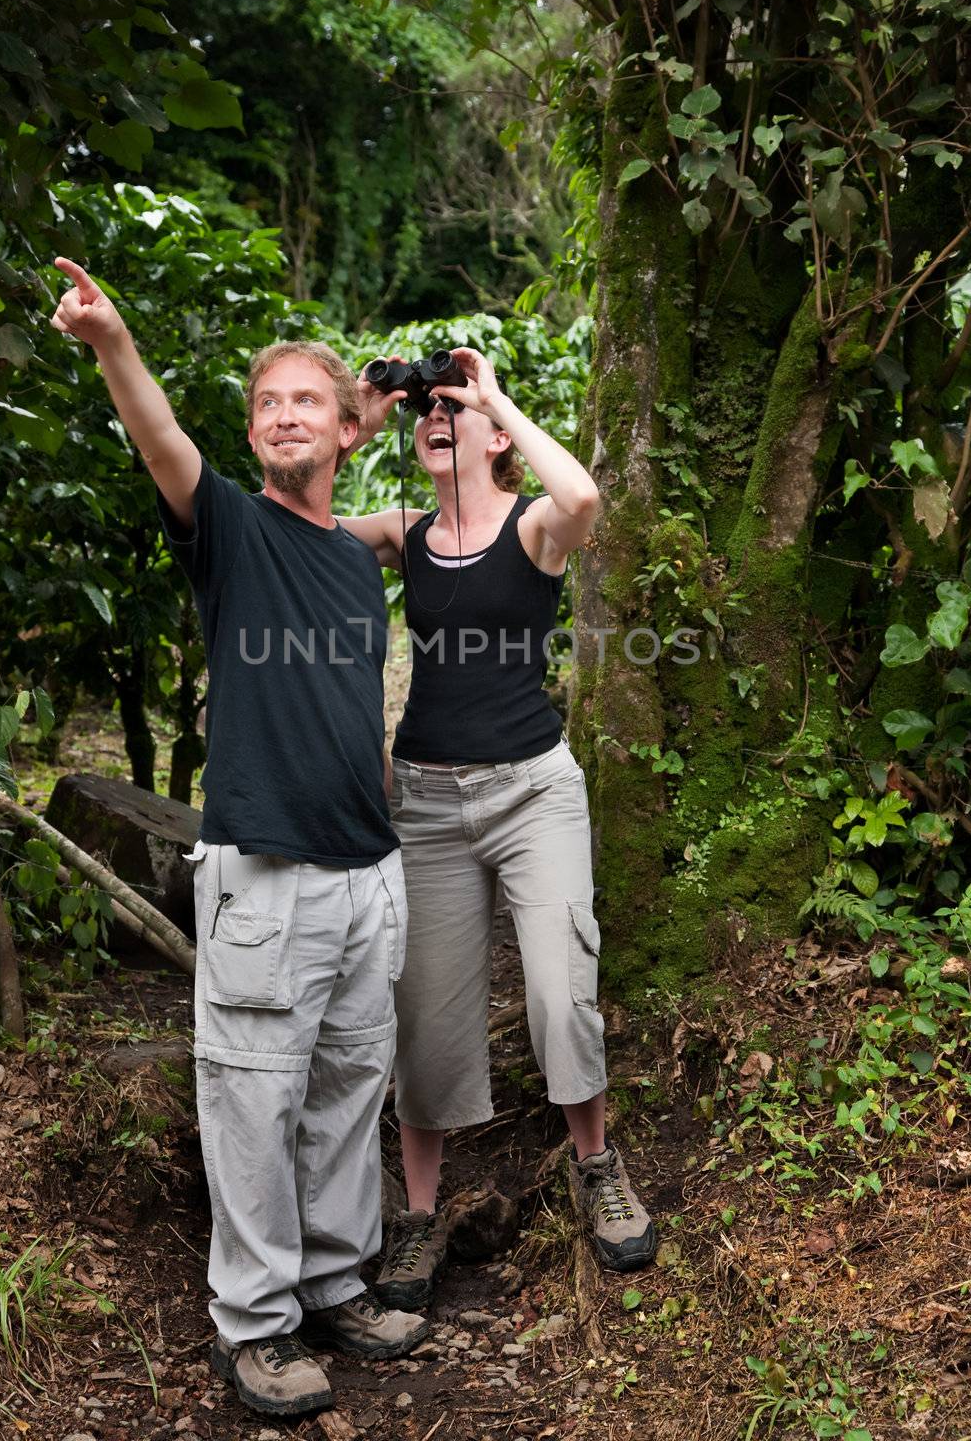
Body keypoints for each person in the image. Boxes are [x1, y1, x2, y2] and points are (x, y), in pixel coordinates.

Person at [49, 259, 427, 1420]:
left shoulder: (354, 557)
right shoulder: (230, 528)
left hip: (368, 869)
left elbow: (428, 515)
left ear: (343, 427)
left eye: (305, 401)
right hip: (265, 873)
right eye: (267, 404)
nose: (282, 416)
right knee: (254, 1099)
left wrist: (399, 408)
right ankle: (255, 1324)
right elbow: (161, 436)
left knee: (348, 1087)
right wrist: (113, 340)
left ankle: (330, 1281)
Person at [339, 346, 656, 1313]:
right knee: (424, 1024)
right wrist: (357, 416)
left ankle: (594, 1167)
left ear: (490, 435)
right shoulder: (403, 530)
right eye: (423, 411)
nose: (435, 419)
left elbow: (587, 496)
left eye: (451, 409)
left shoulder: (533, 530)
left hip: (533, 792)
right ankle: (421, 1219)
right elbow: (290, 524)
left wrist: (495, 396)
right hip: (428, 809)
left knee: (562, 993)